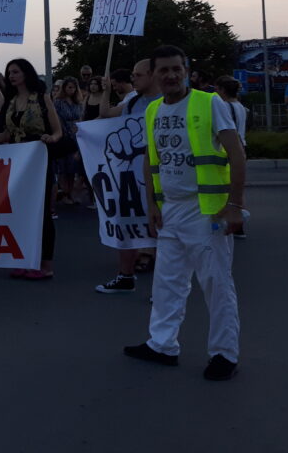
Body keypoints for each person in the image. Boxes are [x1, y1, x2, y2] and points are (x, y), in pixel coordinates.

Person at [123, 45, 246, 381]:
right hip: (171, 209)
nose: (171, 75)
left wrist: (235, 206)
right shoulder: (153, 110)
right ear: (154, 75)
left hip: (206, 210)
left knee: (216, 283)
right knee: (167, 283)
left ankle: (224, 354)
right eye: (163, 70)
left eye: (177, 69)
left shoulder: (209, 103)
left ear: (187, 71)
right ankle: (162, 345)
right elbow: (151, 160)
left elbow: (236, 153)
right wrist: (152, 204)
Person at [0, 59, 62, 280]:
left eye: (15, 72)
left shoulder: (42, 98)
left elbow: (57, 130)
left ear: (26, 73)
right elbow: (7, 134)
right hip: (17, 161)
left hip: (38, 159)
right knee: (21, 211)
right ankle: (25, 258)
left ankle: (45, 264)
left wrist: (51, 138)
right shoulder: (11, 101)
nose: (12, 76)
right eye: (9, 72)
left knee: (41, 212)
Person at [94, 59, 161, 294]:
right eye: (132, 75)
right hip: (132, 174)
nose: (133, 79)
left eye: (138, 75)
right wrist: (106, 91)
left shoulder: (167, 101)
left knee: (161, 229)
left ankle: (163, 287)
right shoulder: (132, 102)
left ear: (152, 75)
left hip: (159, 175)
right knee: (127, 224)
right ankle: (125, 276)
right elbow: (105, 113)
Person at [51, 78, 84, 206]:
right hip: (63, 136)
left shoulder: (78, 103)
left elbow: (80, 118)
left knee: (72, 167)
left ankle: (70, 192)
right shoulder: (58, 102)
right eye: (69, 87)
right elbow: (56, 119)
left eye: (73, 87)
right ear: (64, 88)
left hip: (75, 137)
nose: (71, 90)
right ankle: (65, 193)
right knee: (63, 168)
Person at [215, 76, 247, 149]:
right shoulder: (240, 106)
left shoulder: (224, 106)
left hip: (228, 147)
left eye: (216, 89)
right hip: (240, 145)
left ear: (223, 90)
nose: (215, 93)